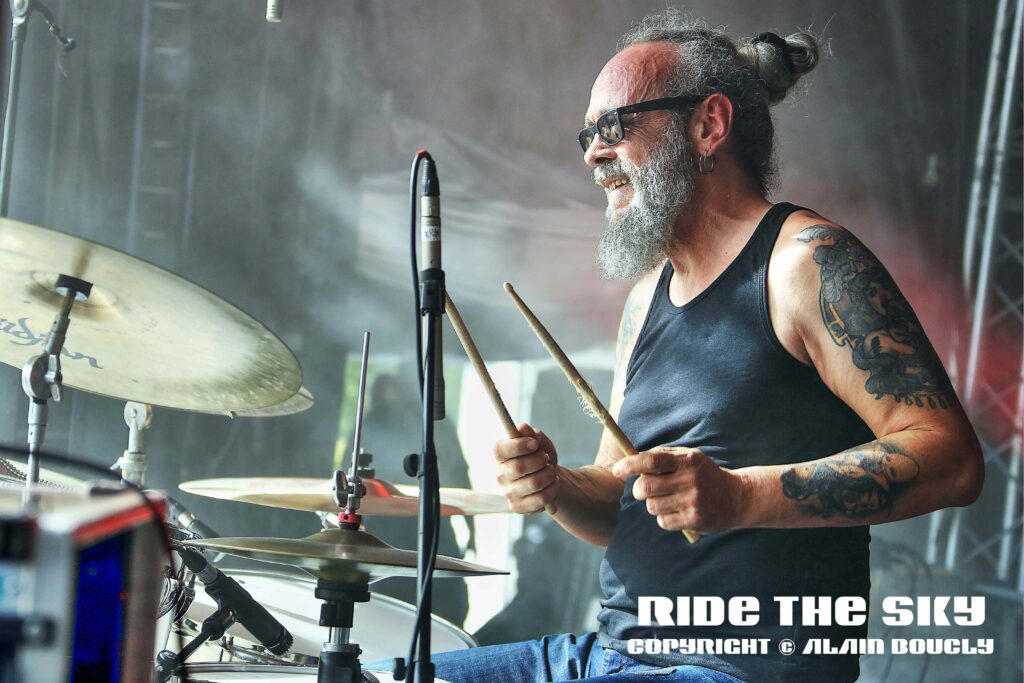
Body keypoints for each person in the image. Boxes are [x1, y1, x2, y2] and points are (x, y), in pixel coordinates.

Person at [420, 10, 984, 683]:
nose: (592, 154)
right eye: (587, 135)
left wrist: (738, 496)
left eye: (613, 127)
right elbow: (621, 498)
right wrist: (557, 486)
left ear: (708, 125)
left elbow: (951, 459)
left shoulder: (806, 262)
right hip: (615, 654)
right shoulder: (646, 298)